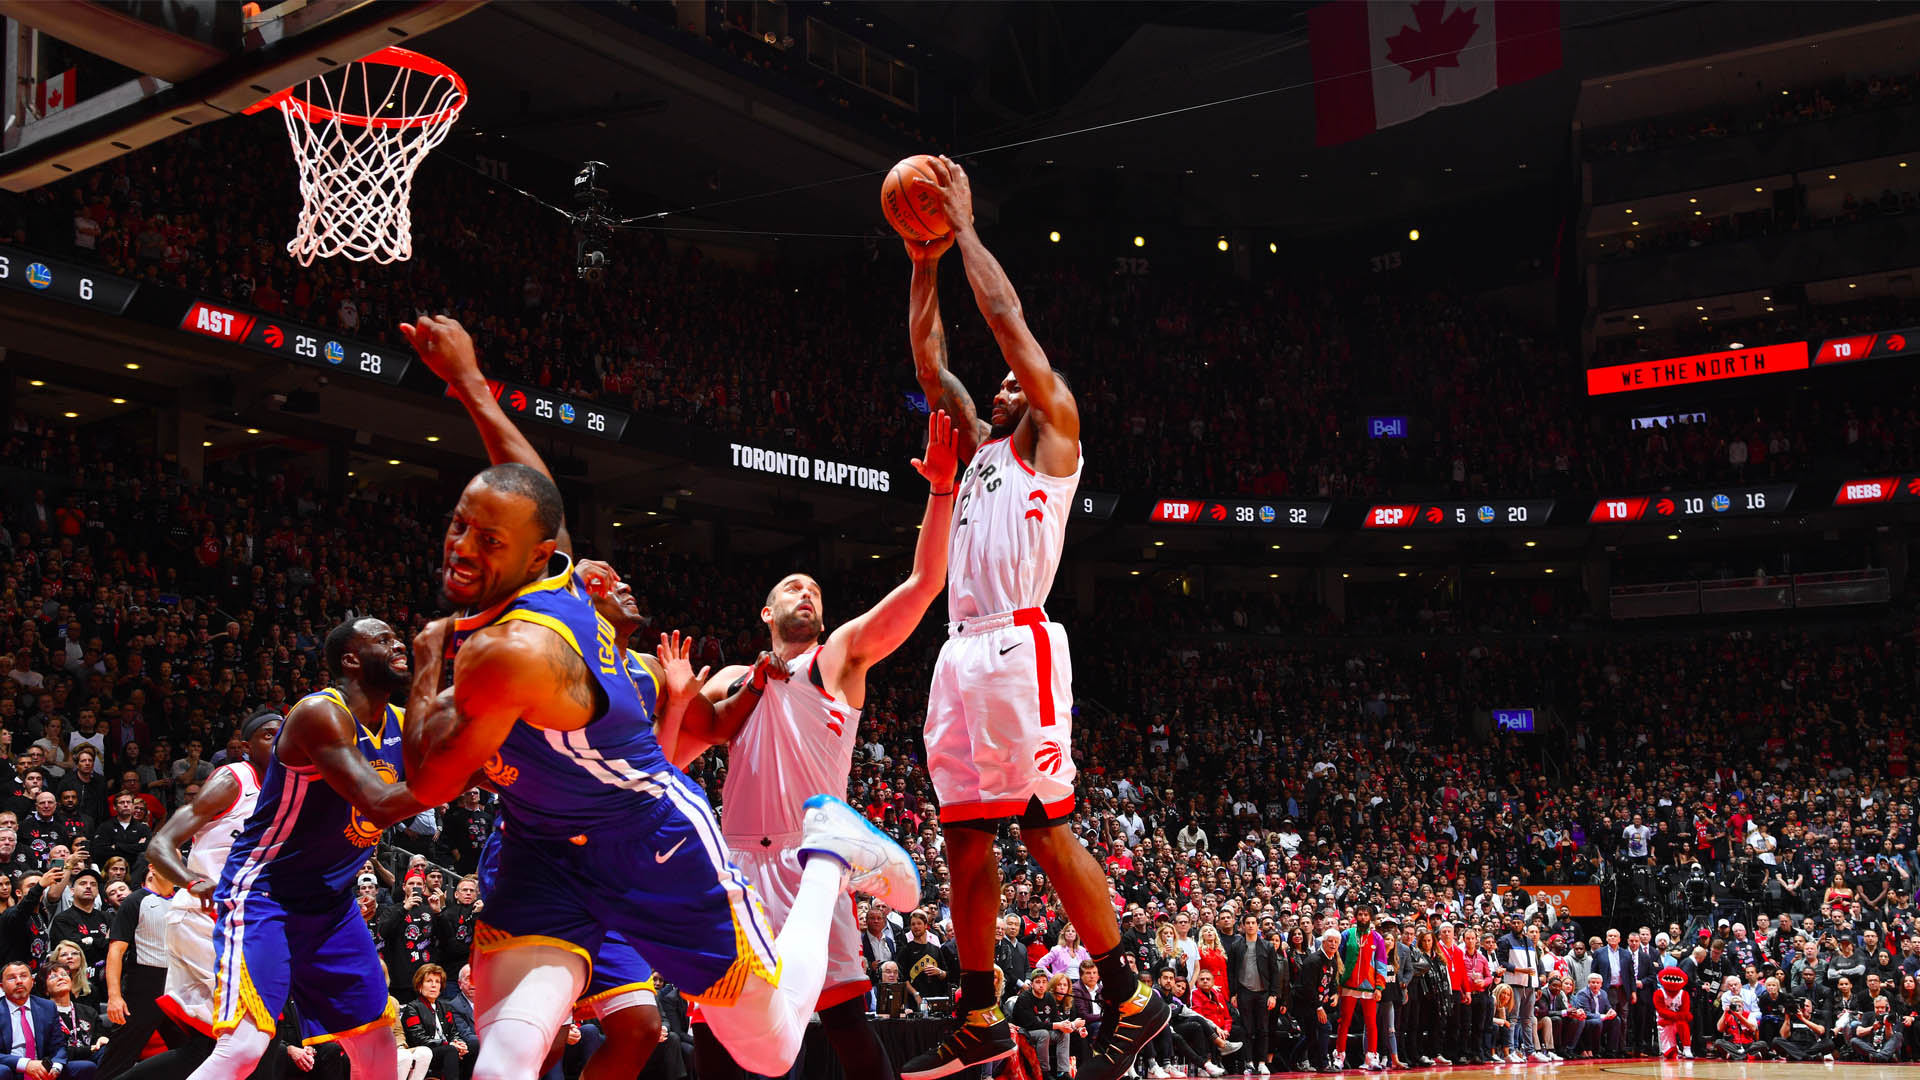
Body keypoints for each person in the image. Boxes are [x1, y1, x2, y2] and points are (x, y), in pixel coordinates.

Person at [398, 314, 918, 1080]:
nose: (464, 547)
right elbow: (532, 493)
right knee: (506, 1053)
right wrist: (471, 383)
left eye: (489, 539)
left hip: (651, 846)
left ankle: (828, 855)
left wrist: (423, 665)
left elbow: (426, 780)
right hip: (543, 847)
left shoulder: (522, 652)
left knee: (772, 1049)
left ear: (535, 557)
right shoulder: (553, 584)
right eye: (459, 526)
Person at [898, 157, 1166, 1080]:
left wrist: (966, 229)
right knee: (963, 834)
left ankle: (1131, 995)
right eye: (1001, 386)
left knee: (1045, 827)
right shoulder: (978, 449)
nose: (1001, 387)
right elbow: (930, 366)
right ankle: (980, 1013)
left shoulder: (1054, 431)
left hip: (1019, 644)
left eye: (1011, 383)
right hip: (958, 652)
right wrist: (922, 263)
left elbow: (1008, 325)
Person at [674, 407, 958, 1080]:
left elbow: (924, 585)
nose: (806, 593)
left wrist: (942, 491)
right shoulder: (734, 680)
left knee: (846, 1022)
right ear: (767, 612)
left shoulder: (836, 660)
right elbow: (673, 755)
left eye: (816, 590)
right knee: (715, 1027)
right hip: (735, 862)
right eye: (792, 588)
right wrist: (680, 696)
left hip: (809, 862)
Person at [183, 616, 424, 1080]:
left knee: (377, 1046)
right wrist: (464, 771)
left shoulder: (400, 721)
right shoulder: (320, 712)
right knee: (243, 1048)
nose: (399, 646)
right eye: (384, 640)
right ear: (351, 660)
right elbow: (379, 803)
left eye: (398, 639)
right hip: (266, 891)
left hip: (331, 903)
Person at [143, 711, 280, 1051]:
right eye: (268, 735)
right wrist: (191, 880)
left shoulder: (286, 790)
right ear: (246, 747)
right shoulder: (233, 780)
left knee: (217, 1045)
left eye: (284, 733)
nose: (279, 741)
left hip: (243, 921)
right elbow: (159, 845)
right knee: (247, 1032)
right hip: (201, 917)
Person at [97, 867, 175, 1080]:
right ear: (154, 867)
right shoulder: (135, 901)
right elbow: (115, 951)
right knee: (120, 1055)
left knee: (194, 1049)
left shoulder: (184, 898)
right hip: (144, 984)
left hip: (178, 983)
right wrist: (114, 996)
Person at [1333, 905, 1388, 1071]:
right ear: (1355, 917)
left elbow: (1382, 964)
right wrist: (1338, 983)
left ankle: (1372, 1057)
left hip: (1369, 986)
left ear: (1370, 918)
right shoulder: (1346, 934)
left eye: (1366, 915)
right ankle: (1339, 1056)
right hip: (1348, 984)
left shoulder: (1377, 938)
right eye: (1360, 915)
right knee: (1344, 1022)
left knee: (1371, 1023)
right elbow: (1338, 960)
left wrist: (1379, 986)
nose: (1363, 917)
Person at [0, 960, 67, 1080]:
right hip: (11, 1069)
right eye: (11, 978)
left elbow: (59, 1045)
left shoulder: (47, 1007)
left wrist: (56, 1067)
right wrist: (25, 1064)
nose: (19, 981)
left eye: (23, 976)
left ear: (32, 981)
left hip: (42, 1068)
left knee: (85, 1067)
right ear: (1, 986)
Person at [399, 966, 465, 1079]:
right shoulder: (412, 1008)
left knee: (469, 1049)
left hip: (446, 1050)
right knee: (450, 1051)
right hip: (424, 1052)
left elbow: (454, 1032)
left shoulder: (445, 1007)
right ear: (420, 985)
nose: (434, 985)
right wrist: (448, 1044)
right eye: (429, 981)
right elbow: (419, 1039)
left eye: (437, 982)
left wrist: (459, 1044)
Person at [44, 966, 102, 1080]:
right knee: (87, 1066)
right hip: (60, 1062)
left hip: (91, 1057)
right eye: (53, 977)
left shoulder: (89, 1011)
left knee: (109, 1052)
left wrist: (102, 1039)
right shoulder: (43, 1014)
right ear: (45, 989)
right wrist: (89, 1049)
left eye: (64, 974)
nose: (61, 978)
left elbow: (99, 1036)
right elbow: (53, 1050)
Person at [1653, 967, 1692, 1060]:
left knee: (1683, 1025)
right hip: (1664, 1022)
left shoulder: (1683, 994)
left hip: (1677, 1021)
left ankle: (1687, 1048)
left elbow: (1685, 1011)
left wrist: (1676, 1017)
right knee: (1670, 1053)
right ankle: (1673, 1049)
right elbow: (1661, 1011)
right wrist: (1677, 1016)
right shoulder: (1659, 993)